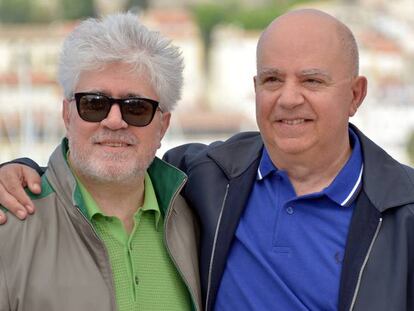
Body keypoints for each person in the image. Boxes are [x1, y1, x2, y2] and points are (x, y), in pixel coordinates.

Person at [1, 8, 414, 311]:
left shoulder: (403, 215)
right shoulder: (212, 178)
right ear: (66, 112)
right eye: (93, 104)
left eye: (312, 80)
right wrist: (19, 172)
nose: (289, 98)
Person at [0, 12, 202, 311]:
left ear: (163, 125)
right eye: (94, 104)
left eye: (136, 108)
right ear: (67, 114)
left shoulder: (195, 220)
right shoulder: (9, 227)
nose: (115, 121)